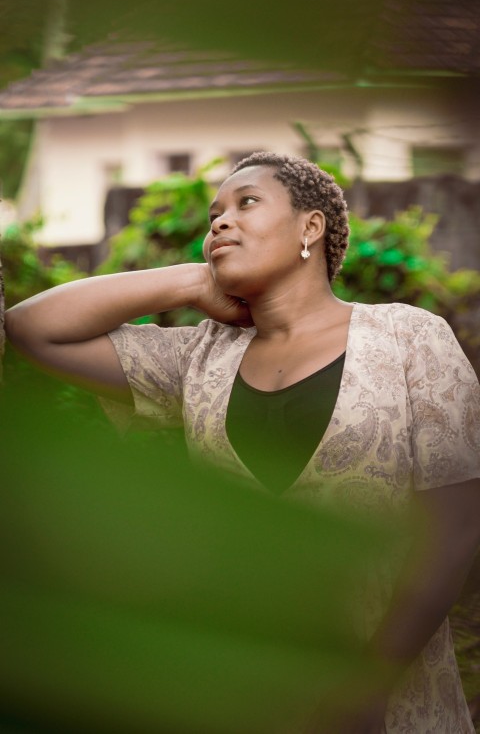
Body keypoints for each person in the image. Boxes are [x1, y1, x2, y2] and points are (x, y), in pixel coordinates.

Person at [5, 150, 480, 733]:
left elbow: (453, 530)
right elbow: (32, 328)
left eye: (246, 202)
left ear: (311, 227)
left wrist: (366, 685)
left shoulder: (409, 337)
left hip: (390, 696)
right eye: (213, 215)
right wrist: (194, 279)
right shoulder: (197, 357)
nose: (220, 222)